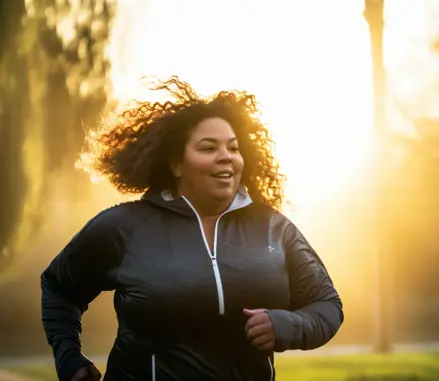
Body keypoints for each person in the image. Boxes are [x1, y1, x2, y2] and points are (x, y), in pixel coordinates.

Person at [41, 76, 344, 381]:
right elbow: (59, 287)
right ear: (176, 164)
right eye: (208, 147)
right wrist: (69, 357)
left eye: (233, 147)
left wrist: (287, 326)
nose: (225, 156)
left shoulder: (273, 229)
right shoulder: (125, 227)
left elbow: (327, 305)